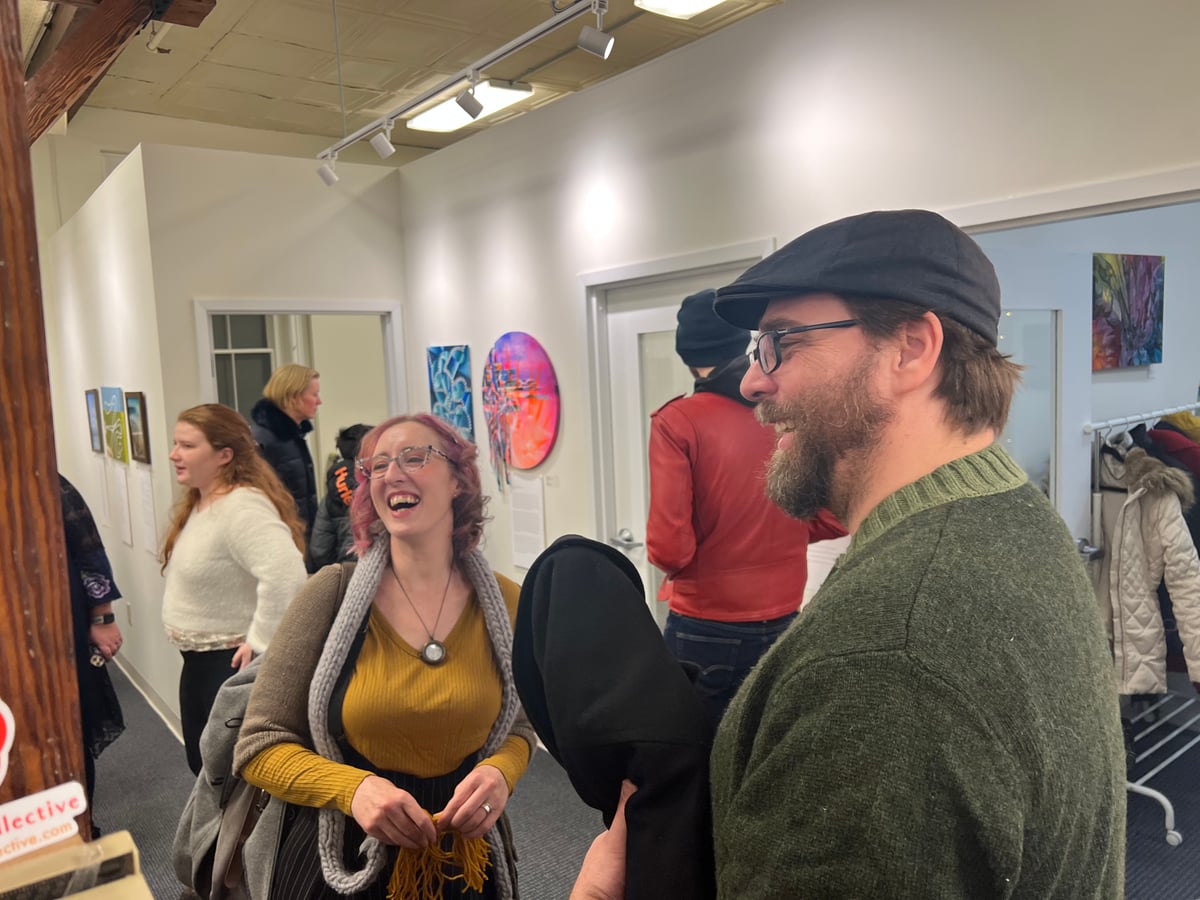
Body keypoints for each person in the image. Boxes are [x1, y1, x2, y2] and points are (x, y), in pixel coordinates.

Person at [573, 209, 1127, 898]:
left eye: (782, 342)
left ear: (910, 349)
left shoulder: (885, 658)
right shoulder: (1015, 517)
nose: (752, 381)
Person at [233, 413, 534, 899]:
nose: (392, 474)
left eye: (414, 457)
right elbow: (258, 745)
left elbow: (519, 726)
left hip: (465, 860)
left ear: (460, 480)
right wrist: (354, 790)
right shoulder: (329, 594)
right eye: (375, 466)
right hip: (342, 858)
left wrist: (503, 772)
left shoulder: (506, 602)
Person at [647, 288, 845, 723]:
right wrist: (781, 532)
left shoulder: (678, 422)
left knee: (689, 763)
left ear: (686, 352)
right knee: (762, 756)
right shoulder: (783, 410)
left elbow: (669, 549)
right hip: (784, 620)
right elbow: (831, 518)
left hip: (706, 627)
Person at [161, 403, 308, 775]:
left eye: (188, 446)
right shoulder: (203, 500)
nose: (174, 454)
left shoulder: (242, 507)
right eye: (176, 443)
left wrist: (261, 640)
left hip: (227, 667)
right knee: (204, 767)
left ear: (224, 455)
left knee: (227, 775)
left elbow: (287, 575)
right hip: (199, 663)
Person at [59, 474, 125, 837]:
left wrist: (102, 617)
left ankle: (79, 826)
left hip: (57, 625)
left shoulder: (45, 482)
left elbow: (89, 551)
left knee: (70, 724)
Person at [250, 363, 322, 549]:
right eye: (314, 395)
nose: (319, 401)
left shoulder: (293, 436)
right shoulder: (262, 440)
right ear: (294, 396)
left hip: (298, 537)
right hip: (280, 541)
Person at [309, 423, 373, 570]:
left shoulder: (332, 491)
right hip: (374, 567)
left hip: (342, 570)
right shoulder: (376, 485)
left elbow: (320, 546)